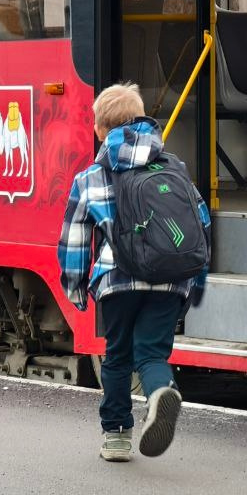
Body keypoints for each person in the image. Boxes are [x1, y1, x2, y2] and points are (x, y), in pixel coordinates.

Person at [57, 82, 210, 463]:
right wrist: (195, 281)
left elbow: (75, 240)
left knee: (117, 356)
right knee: (152, 353)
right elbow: (200, 223)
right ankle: (159, 391)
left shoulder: (90, 178)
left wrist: (75, 287)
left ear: (99, 130)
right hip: (170, 280)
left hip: (117, 280)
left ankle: (116, 437)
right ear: (143, 120)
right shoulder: (174, 167)